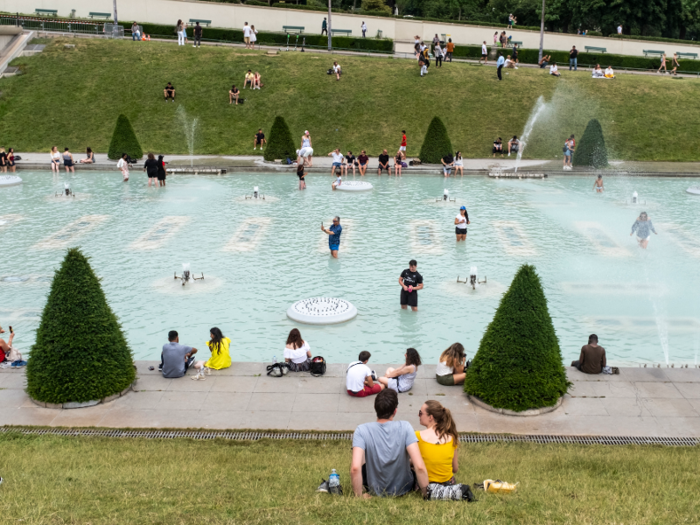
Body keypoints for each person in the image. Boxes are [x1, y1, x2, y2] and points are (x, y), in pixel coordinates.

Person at [351, 389, 429, 498]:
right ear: (395, 411)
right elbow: (419, 466)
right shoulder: (405, 427)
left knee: (362, 455)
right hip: (403, 488)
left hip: (374, 488)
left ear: (375, 408)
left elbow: (355, 468)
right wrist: (426, 496)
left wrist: (358, 497)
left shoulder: (361, 430)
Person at [416, 400, 460, 484]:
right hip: (449, 483)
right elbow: (455, 469)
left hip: (427, 484)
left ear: (430, 417)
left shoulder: (418, 436)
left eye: (420, 413)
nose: (418, 415)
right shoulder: (451, 438)